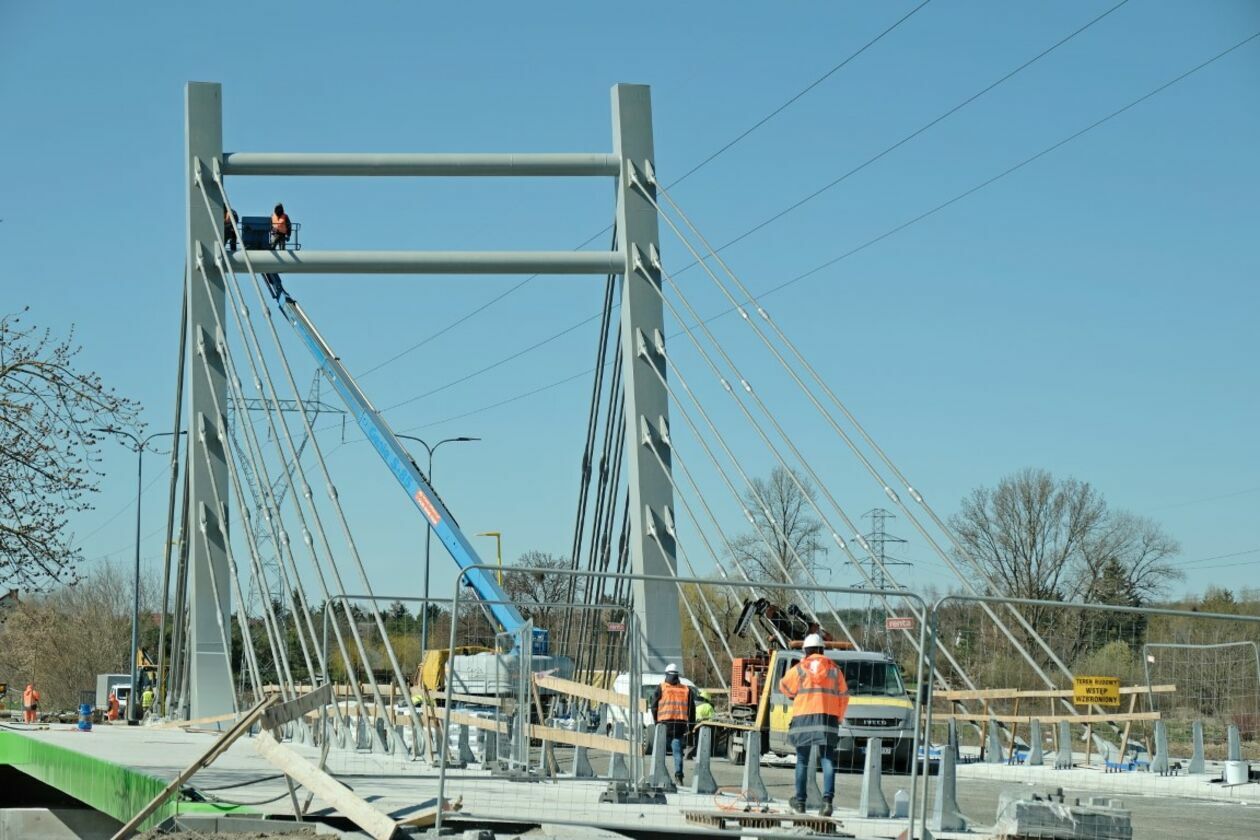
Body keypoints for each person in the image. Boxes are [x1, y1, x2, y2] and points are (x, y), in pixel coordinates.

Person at [778, 634, 848, 817]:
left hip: (803, 717)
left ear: (806, 651)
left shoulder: (799, 669)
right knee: (827, 759)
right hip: (828, 718)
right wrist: (839, 717)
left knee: (802, 760)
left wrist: (796, 695)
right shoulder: (834, 670)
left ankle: (800, 802)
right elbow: (844, 696)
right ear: (823, 650)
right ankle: (827, 803)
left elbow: (784, 686)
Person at [650, 663, 695, 787]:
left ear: (666, 674)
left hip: (663, 725)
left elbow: (653, 706)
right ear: (677, 675)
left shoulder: (661, 687)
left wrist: (656, 722)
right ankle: (679, 776)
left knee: (659, 752)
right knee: (677, 753)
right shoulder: (686, 690)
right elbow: (692, 710)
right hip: (679, 726)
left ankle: (658, 774)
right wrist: (690, 727)